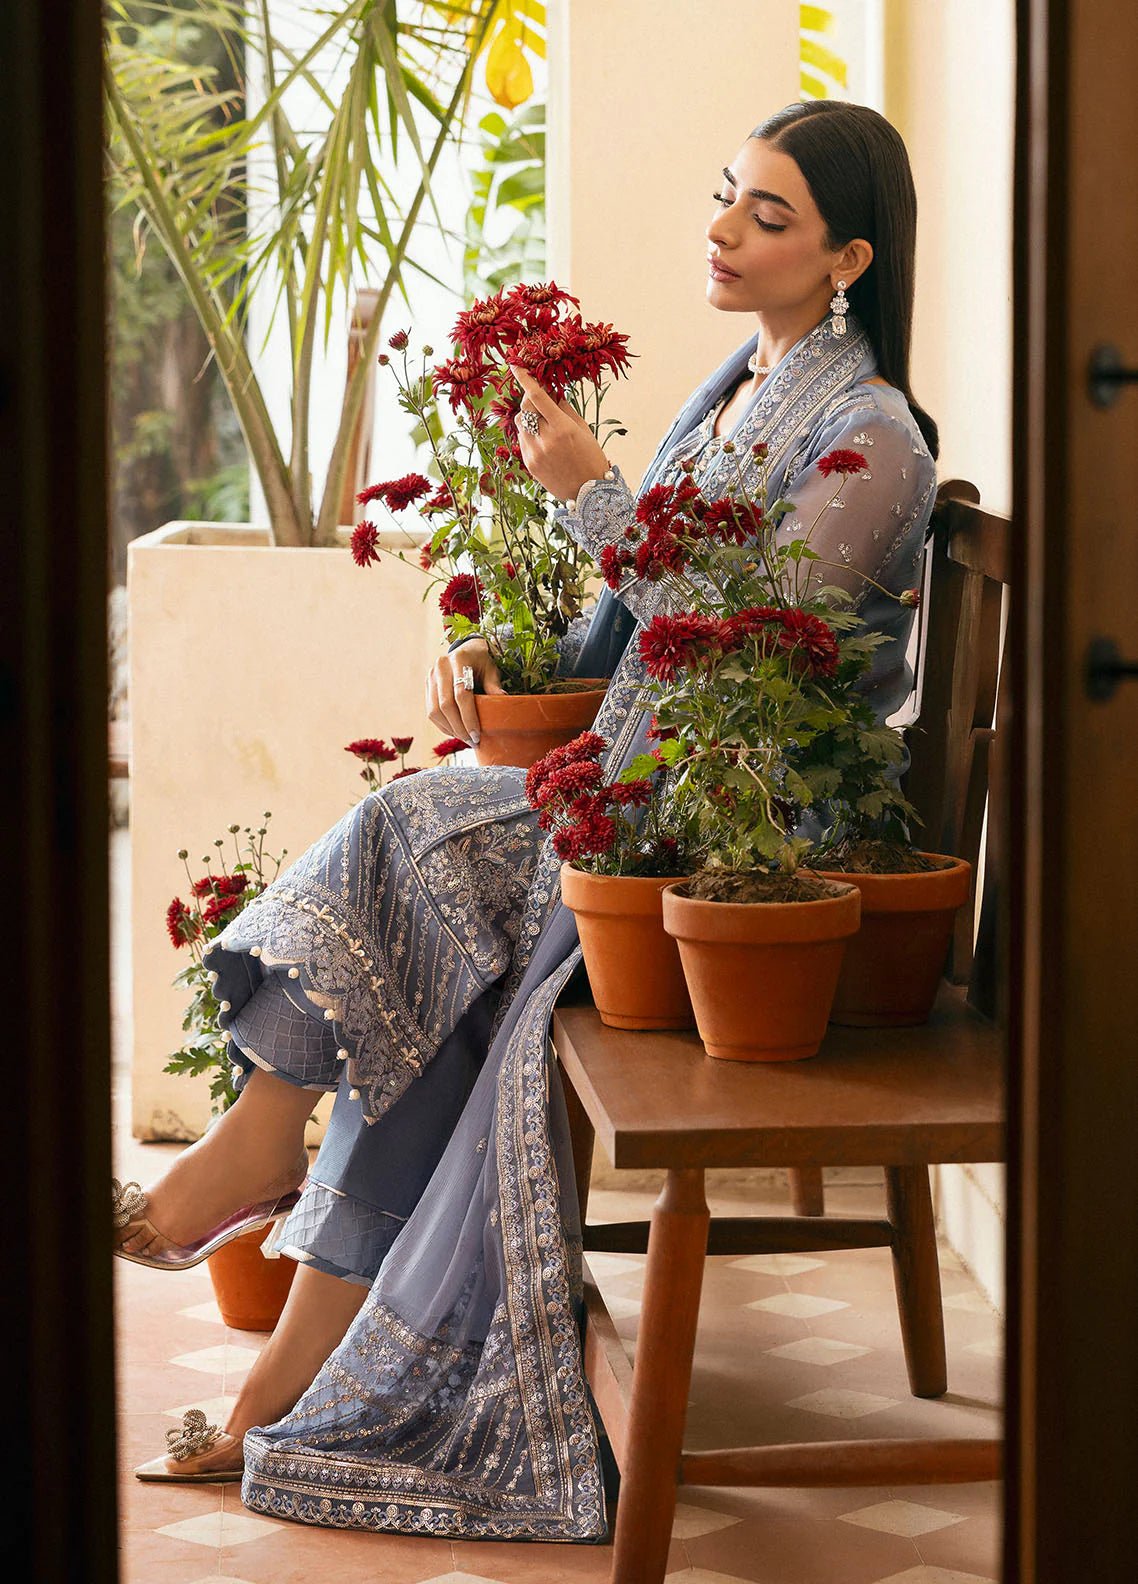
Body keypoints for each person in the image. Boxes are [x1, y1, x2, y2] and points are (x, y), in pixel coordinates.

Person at [116, 99, 938, 1540]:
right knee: (426, 919)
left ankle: (254, 1152)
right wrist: (513, 659)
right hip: (643, 780)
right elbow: (634, 626)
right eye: (722, 196)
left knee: (414, 842)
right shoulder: (737, 388)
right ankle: (275, 1329)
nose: (723, 231)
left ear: (848, 258)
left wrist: (592, 500)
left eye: (768, 216)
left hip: (737, 832)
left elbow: (753, 662)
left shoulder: (871, 438)